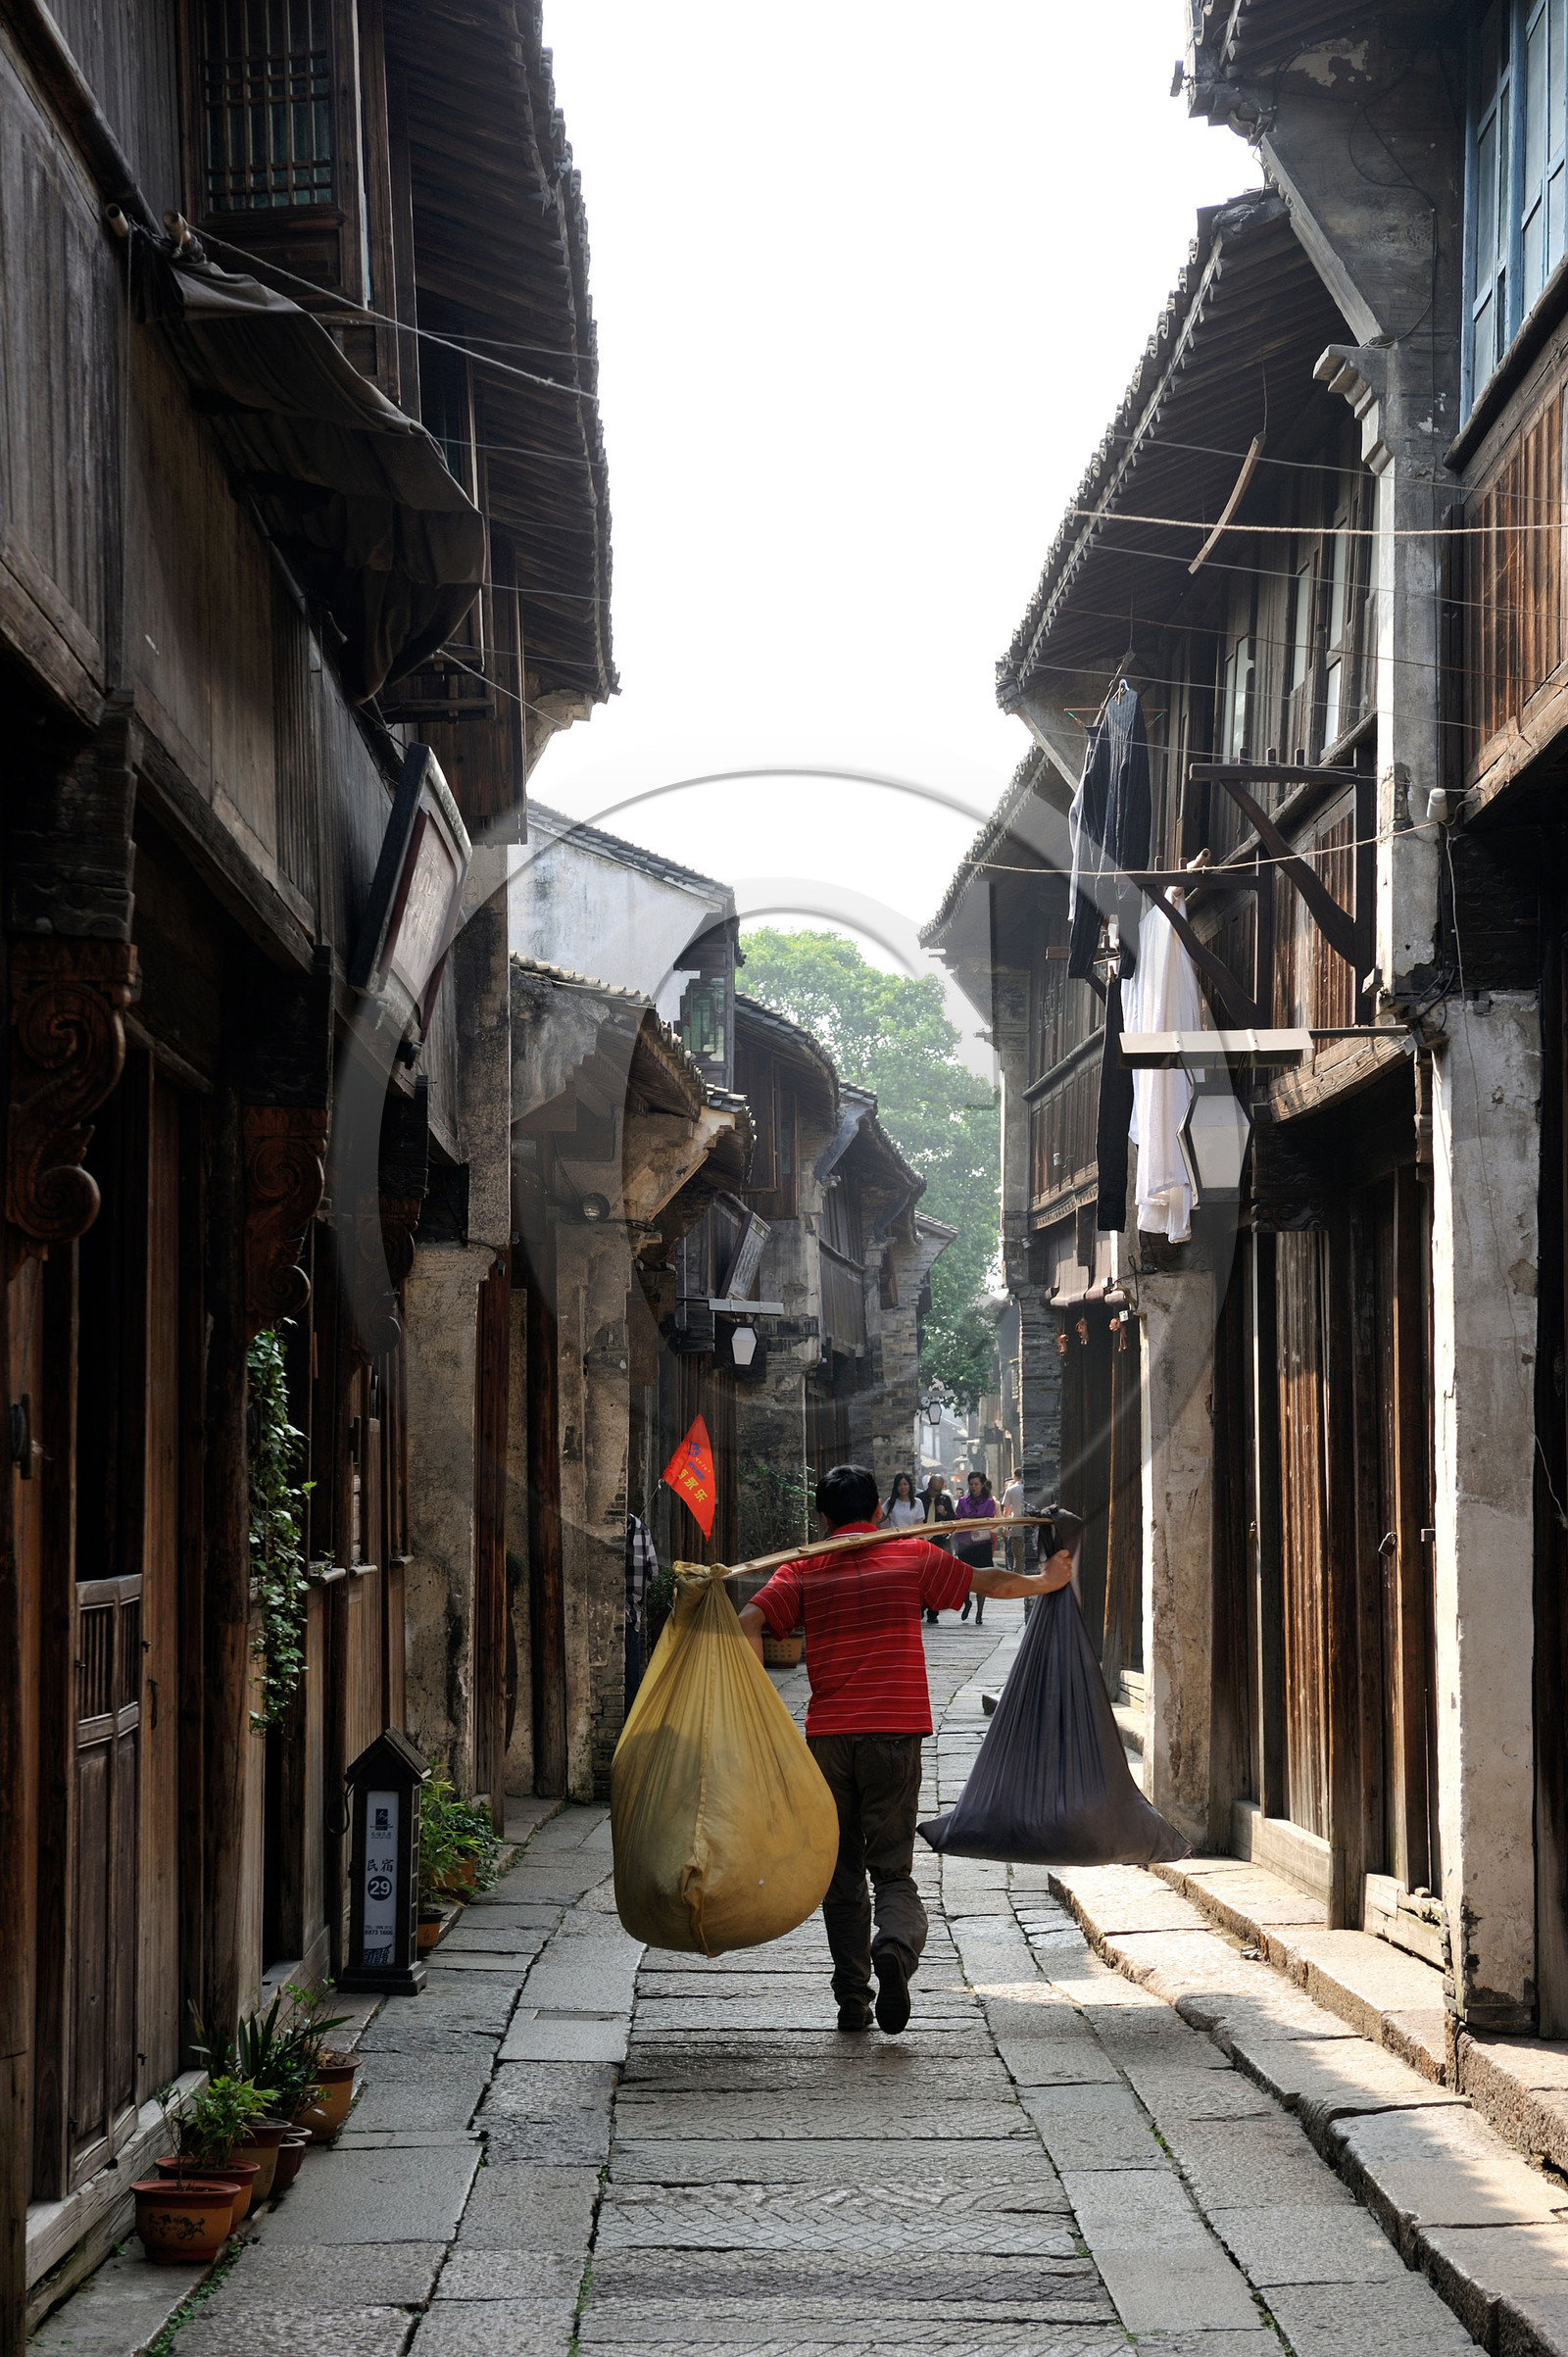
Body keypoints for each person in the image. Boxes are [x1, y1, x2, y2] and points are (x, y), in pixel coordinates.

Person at [738, 1464, 1073, 2036]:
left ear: (822, 1517)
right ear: (874, 1512)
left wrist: (758, 1705)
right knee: (892, 1870)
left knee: (840, 1874)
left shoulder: (802, 1569)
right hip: (894, 1735)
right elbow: (986, 1582)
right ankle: (894, 1948)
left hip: (829, 1743)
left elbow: (748, 1622)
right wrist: (1046, 1582)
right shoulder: (908, 1557)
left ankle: (853, 1998)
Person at [954, 1471, 999, 1624]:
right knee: (964, 1576)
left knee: (982, 1577)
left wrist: (975, 1523)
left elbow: (989, 1519)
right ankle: (967, 1602)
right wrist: (967, 1522)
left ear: (982, 1485)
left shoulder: (989, 1502)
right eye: (971, 1484)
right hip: (965, 1543)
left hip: (982, 1543)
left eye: (976, 1484)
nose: (973, 1487)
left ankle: (980, 1611)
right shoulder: (963, 1501)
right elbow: (957, 1517)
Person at [920, 1474, 956, 1622]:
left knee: (936, 1578)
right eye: (933, 1490)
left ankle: (933, 1611)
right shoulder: (919, 1499)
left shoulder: (945, 1499)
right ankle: (920, 1607)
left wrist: (944, 1513)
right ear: (928, 1486)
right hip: (923, 1541)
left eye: (938, 1490)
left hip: (939, 1541)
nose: (935, 1493)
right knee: (922, 1577)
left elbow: (953, 1519)